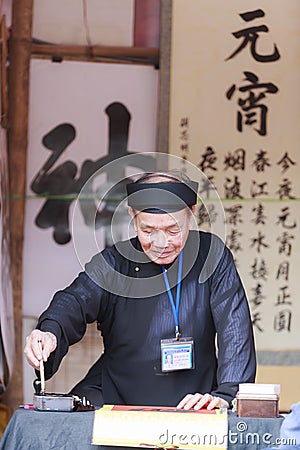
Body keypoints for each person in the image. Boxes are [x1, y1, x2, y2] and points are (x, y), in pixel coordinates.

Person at [24, 171, 256, 411]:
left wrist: (227, 396)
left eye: (173, 230)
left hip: (196, 399)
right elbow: (75, 300)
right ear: (133, 218)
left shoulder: (212, 255)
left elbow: (234, 329)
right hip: (118, 393)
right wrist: (49, 331)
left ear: (191, 214)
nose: (161, 243)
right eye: (147, 230)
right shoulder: (115, 262)